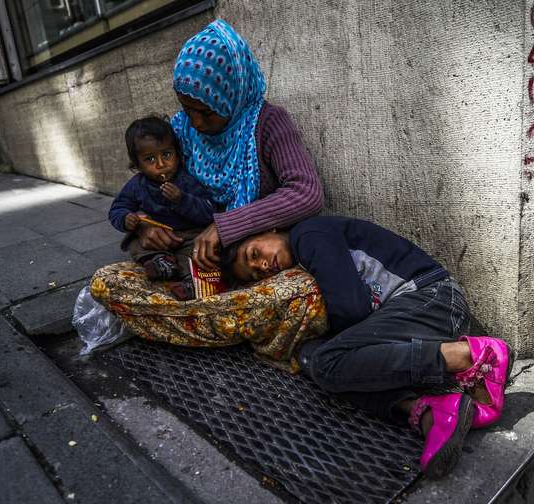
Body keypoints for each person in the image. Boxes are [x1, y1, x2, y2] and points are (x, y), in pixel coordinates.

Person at [221, 216, 512, 479]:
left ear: (268, 229)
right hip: (416, 317)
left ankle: (466, 355)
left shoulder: (307, 233)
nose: (261, 266)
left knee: (327, 361)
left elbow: (351, 309)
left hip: (432, 299)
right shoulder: (299, 261)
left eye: (254, 254)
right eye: (255, 274)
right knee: (311, 357)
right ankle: (429, 412)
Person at [131, 20, 323, 271]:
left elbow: (306, 192)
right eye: (188, 110)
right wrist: (145, 224)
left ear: (233, 94)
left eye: (207, 112)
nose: (196, 123)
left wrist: (226, 226)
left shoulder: (268, 123)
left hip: (250, 244)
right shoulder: (181, 129)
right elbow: (147, 183)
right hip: (194, 237)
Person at [109, 116, 215, 300]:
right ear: (137, 165)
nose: (161, 164)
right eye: (150, 159)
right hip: (153, 239)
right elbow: (117, 209)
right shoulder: (137, 185)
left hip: (187, 235)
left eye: (166, 155)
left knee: (197, 253)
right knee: (134, 243)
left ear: (177, 153)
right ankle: (161, 263)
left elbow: (208, 211)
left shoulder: (186, 180)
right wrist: (127, 218)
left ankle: (191, 282)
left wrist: (181, 199)